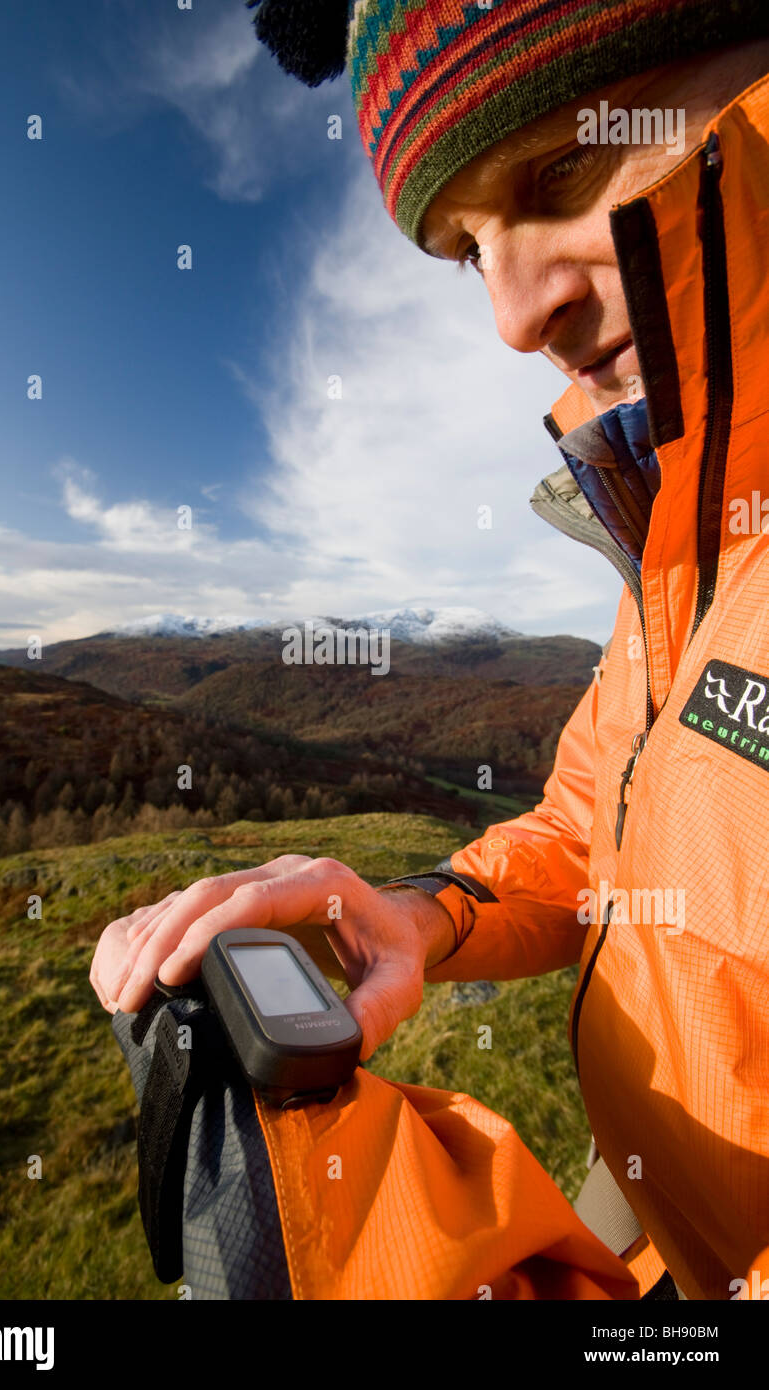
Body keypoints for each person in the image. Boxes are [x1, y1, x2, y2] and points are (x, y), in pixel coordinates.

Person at [91, 0, 769, 1300]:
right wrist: (423, 911)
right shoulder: (687, 529)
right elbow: (597, 827)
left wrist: (360, 1255)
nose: (514, 315)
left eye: (562, 165)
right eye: (465, 250)